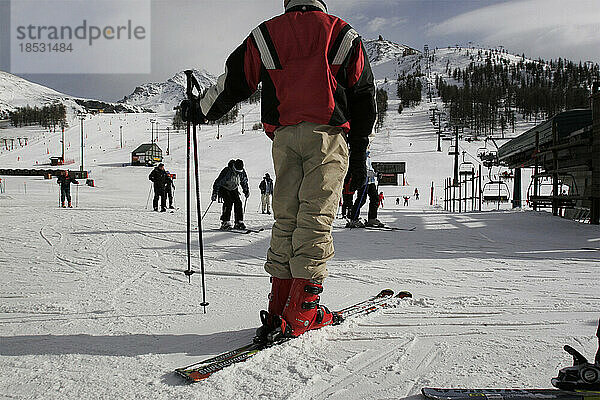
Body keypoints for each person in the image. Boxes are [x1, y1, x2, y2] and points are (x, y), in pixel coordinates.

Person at [181, 0, 376, 341]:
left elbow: (233, 83)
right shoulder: (341, 32)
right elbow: (363, 95)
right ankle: (302, 312)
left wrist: (199, 110)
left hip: (285, 138)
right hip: (326, 135)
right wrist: (358, 155)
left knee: (287, 218)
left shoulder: (266, 34)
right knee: (314, 219)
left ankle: (279, 307)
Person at [347, 150, 383, 228]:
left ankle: (372, 218)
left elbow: (370, 169)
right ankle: (354, 219)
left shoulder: (368, 156)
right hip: (363, 180)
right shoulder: (360, 156)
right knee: (361, 199)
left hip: (371, 181)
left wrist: (376, 174)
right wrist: (375, 174)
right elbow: (363, 170)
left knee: (375, 198)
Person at [212, 159, 250, 230]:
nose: (238, 173)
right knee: (228, 202)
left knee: (238, 202)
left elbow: (244, 181)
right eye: (237, 171)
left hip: (234, 188)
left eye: (239, 172)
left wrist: (246, 190)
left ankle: (239, 222)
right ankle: (225, 222)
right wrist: (215, 193)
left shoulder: (242, 172)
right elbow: (218, 182)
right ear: (234, 167)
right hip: (224, 187)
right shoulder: (227, 171)